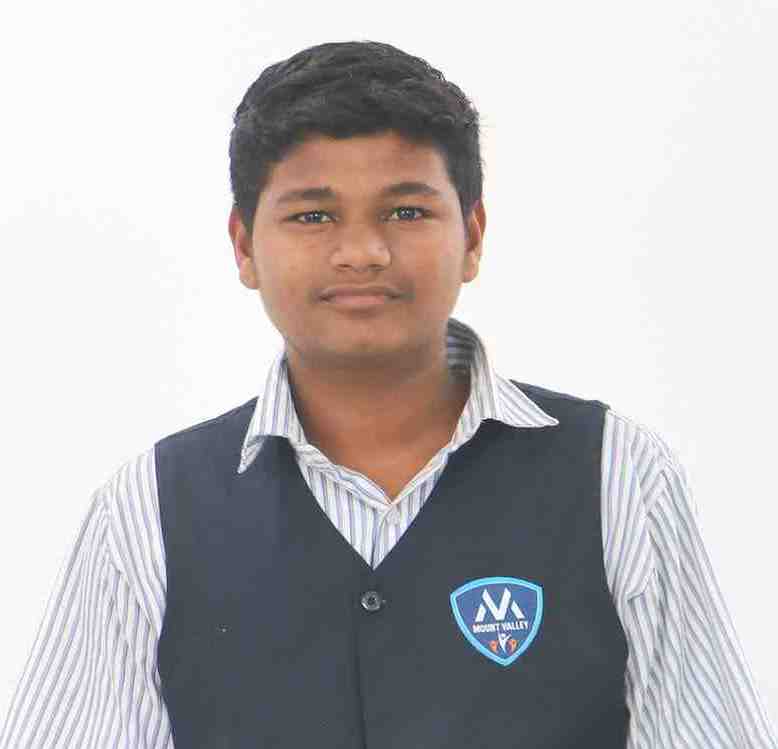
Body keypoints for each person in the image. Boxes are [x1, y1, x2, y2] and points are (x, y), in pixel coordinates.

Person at [1, 39, 776, 749]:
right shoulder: (147, 512)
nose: (363, 251)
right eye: (313, 215)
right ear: (244, 245)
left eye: (407, 211)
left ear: (473, 235)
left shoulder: (618, 477)